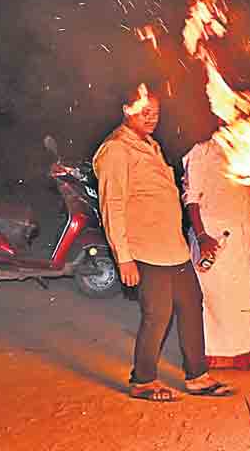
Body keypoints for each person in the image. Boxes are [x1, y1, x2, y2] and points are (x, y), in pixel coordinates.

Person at [92, 86, 234, 401]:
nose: (152, 117)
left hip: (174, 249)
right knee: (157, 315)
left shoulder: (151, 145)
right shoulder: (116, 149)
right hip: (146, 251)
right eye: (145, 111)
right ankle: (142, 381)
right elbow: (111, 206)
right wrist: (123, 258)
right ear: (127, 110)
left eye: (155, 112)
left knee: (191, 306)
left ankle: (197, 376)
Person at [182, 134, 250, 371]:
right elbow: (191, 199)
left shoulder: (247, 150)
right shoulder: (202, 152)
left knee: (242, 297)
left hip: (243, 235)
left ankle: (244, 353)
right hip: (213, 236)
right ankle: (216, 357)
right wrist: (202, 237)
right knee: (216, 300)